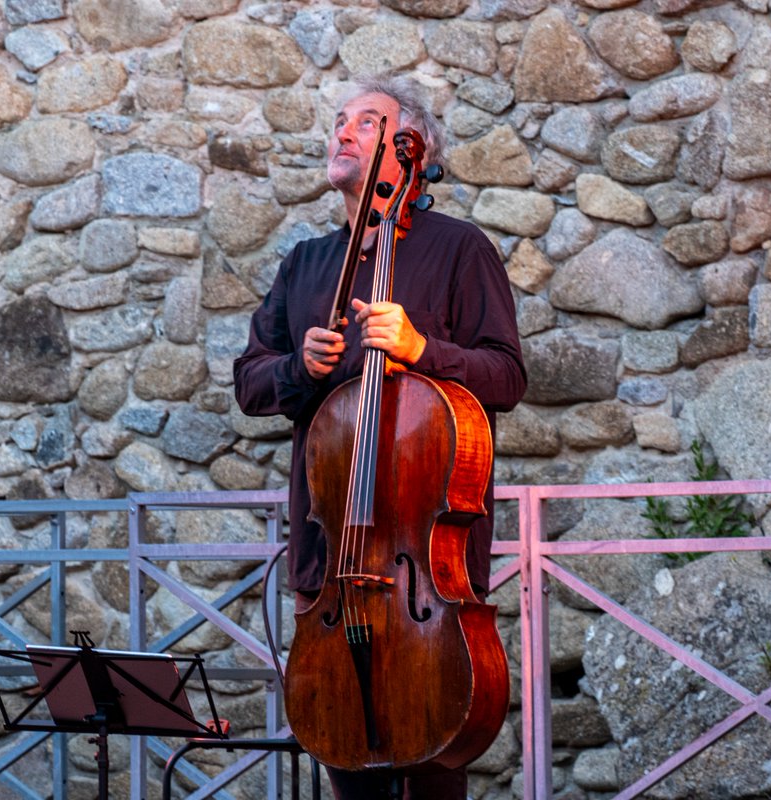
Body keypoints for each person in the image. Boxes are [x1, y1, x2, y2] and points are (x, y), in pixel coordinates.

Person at [233, 73, 527, 799]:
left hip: (426, 572)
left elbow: (507, 376)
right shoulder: (305, 264)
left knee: (430, 771)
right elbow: (249, 381)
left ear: (410, 152)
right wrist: (298, 370)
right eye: (340, 121)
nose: (341, 133)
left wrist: (424, 349)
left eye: (365, 123)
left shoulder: (461, 250)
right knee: (346, 767)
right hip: (327, 567)